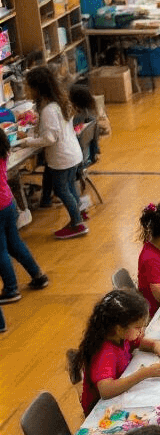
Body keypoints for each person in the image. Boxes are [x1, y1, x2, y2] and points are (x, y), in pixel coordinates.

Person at [68, 288, 160, 414]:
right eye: (138, 327)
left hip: (121, 395)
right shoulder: (105, 352)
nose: (141, 331)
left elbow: (139, 343)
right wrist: (144, 374)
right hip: (102, 409)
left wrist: (157, 345)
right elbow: (106, 390)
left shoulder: (121, 336)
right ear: (119, 328)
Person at [21, 66, 86, 239]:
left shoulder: (49, 110)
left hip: (62, 157)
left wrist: (25, 142)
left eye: (28, 86)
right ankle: (79, 212)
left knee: (62, 189)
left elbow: (50, 139)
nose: (25, 90)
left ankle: (77, 223)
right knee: (70, 186)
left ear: (37, 88)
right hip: (72, 153)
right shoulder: (59, 102)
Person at [0, 129, 48, 304]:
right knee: (15, 243)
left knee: (1, 251)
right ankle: (38, 275)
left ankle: (11, 289)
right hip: (8, 203)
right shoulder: (3, 151)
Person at [69, 84, 109, 165]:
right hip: (90, 155)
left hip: (78, 157)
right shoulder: (91, 115)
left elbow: (73, 134)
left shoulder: (80, 118)